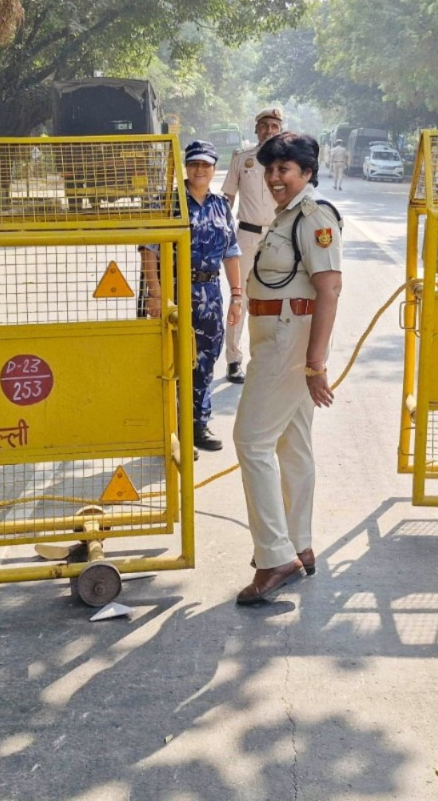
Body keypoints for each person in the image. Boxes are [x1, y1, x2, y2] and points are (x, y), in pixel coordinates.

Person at [232, 132, 343, 606]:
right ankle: (299, 544)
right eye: (270, 169)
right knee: (292, 444)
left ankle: (275, 556)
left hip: (287, 340)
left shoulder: (314, 218)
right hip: (276, 335)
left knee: (251, 440)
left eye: (285, 170)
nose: (275, 178)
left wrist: (315, 365)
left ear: (307, 173)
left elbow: (330, 289)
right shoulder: (286, 217)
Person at [140, 140, 243, 453]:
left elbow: (232, 251)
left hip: (209, 294)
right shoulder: (169, 202)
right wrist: (155, 295)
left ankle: (198, 424)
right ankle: (171, 431)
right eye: (195, 164)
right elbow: (150, 250)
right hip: (173, 292)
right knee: (172, 361)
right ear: (186, 166)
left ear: (214, 168)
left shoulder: (220, 204)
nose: (200, 169)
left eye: (206, 165)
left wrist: (237, 295)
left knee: (206, 359)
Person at [221, 107, 283, 385]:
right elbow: (226, 199)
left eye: (274, 126)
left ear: (280, 130)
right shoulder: (241, 159)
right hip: (246, 236)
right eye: (264, 126)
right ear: (255, 129)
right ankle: (234, 360)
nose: (269, 131)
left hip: (280, 237)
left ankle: (276, 359)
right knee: (240, 298)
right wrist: (220, 232)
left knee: (280, 299)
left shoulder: (289, 161)